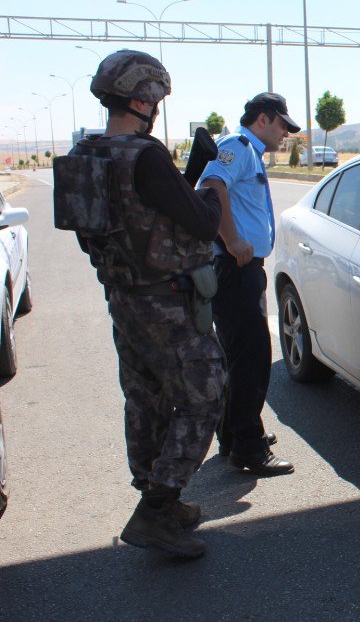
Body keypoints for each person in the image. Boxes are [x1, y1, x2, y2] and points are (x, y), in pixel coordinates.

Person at [54, 50, 225, 558]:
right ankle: (157, 507)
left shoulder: (92, 152)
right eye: (156, 98)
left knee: (146, 395)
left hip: (125, 297)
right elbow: (202, 223)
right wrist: (213, 186)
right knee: (205, 395)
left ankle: (157, 499)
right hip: (166, 300)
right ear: (143, 98)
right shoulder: (146, 156)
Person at [197, 93, 298, 475]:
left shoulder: (248, 150)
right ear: (262, 119)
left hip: (242, 270)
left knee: (239, 356)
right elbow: (212, 186)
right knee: (252, 358)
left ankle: (235, 432)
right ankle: (248, 448)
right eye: (282, 125)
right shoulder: (236, 147)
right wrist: (233, 240)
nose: (285, 133)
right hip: (235, 268)